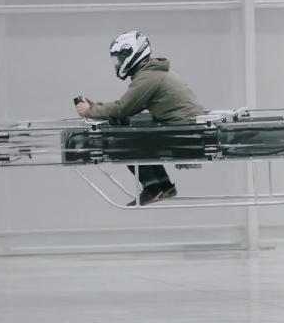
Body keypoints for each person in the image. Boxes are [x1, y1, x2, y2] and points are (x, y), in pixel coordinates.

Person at [75, 31, 204, 206]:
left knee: (123, 142)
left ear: (131, 53)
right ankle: (164, 185)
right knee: (138, 135)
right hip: (184, 126)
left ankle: (152, 188)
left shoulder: (147, 76)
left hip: (181, 130)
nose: (118, 63)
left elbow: (123, 108)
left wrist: (90, 111)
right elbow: (131, 105)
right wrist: (97, 106)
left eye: (120, 58)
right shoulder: (153, 72)